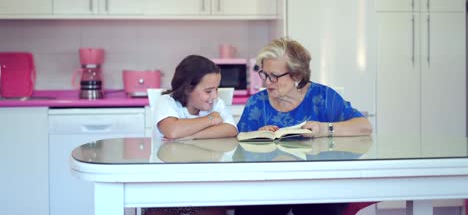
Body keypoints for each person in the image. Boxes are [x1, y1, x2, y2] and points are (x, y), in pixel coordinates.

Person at [235, 38, 372, 215]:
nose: (267, 82)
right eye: (264, 74)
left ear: (297, 75)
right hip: (269, 185)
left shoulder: (322, 97)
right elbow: (238, 151)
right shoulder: (257, 103)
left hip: (317, 184)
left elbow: (363, 126)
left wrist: (324, 129)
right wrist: (257, 138)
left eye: (274, 76)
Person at [145, 54, 238, 215]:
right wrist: (210, 119)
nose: (215, 96)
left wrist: (189, 136)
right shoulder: (167, 102)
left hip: (205, 186)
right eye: (208, 91)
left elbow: (231, 129)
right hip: (167, 188)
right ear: (188, 88)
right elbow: (172, 130)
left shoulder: (216, 103)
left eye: (216, 89)